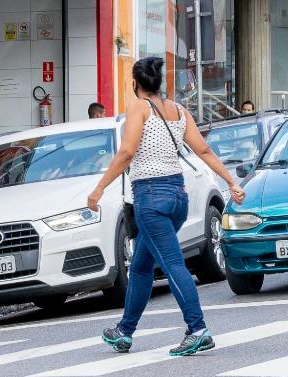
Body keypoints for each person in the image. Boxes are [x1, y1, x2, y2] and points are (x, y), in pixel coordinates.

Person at [87, 56, 246, 357]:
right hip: (177, 196)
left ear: (135, 83)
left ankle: (197, 329)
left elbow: (126, 152)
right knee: (141, 265)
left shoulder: (139, 108)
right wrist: (231, 182)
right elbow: (204, 149)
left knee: (172, 264)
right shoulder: (179, 110)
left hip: (151, 198)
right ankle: (124, 331)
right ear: (159, 83)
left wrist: (99, 187)